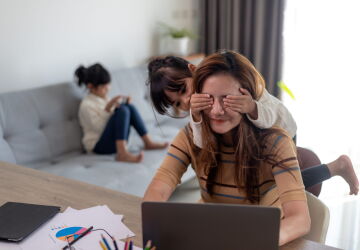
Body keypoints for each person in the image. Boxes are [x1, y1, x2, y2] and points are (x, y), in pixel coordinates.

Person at [144, 51, 313, 245]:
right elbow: (159, 188)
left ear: (246, 96)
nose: (216, 110)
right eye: (208, 99)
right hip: (213, 234)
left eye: (226, 98)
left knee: (300, 179)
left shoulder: (275, 139)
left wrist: (256, 242)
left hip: (263, 233)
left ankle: (332, 168)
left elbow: (300, 219)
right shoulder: (190, 133)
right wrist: (155, 225)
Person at [147, 54, 359, 195]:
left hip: (278, 128)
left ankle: (337, 167)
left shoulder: (230, 80)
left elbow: (271, 112)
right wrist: (195, 116)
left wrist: (251, 107)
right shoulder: (199, 106)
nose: (184, 101)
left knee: (277, 187)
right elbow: (202, 143)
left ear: (194, 70)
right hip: (248, 146)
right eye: (177, 103)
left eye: (183, 90)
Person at [75, 63, 167, 163]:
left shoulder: (104, 98)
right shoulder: (86, 105)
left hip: (112, 141)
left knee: (128, 107)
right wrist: (108, 108)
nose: (108, 89)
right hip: (98, 146)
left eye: (108, 85)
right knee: (123, 110)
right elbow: (100, 128)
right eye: (104, 87)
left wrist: (119, 106)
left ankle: (148, 142)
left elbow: (115, 120)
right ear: (90, 86)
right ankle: (122, 153)